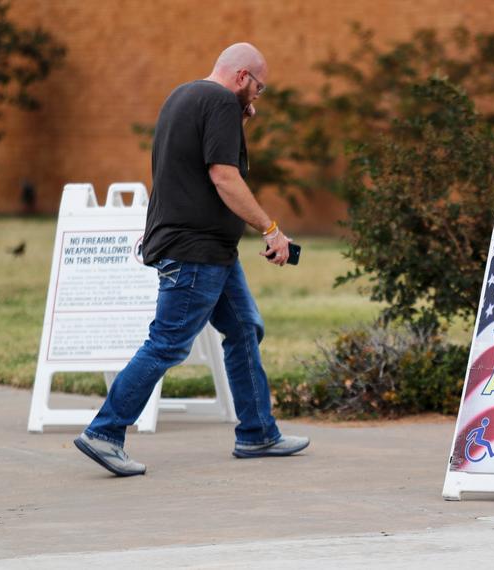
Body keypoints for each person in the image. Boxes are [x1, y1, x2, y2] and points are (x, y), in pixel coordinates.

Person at [74, 43, 309, 477]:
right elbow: (223, 176)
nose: (258, 96)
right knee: (168, 342)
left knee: (244, 328)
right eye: (259, 87)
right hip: (195, 252)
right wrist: (270, 228)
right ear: (241, 76)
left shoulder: (184, 96)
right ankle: (105, 432)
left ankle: (258, 433)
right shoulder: (220, 101)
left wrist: (237, 120)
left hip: (210, 250)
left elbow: (181, 169)